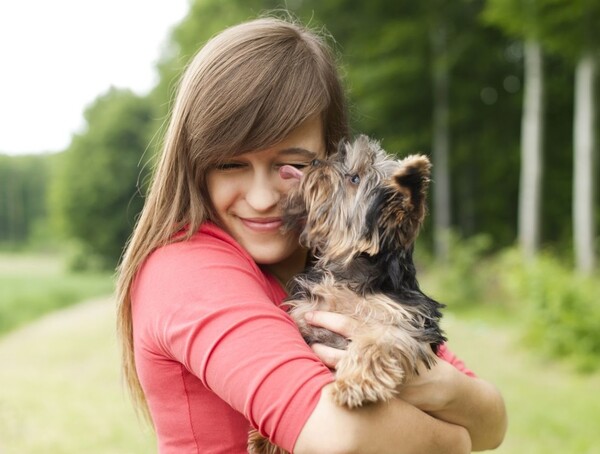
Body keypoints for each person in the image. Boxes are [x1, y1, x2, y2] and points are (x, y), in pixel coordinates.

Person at [116, 16, 507, 454]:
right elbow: (344, 439)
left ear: (330, 163)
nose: (263, 198)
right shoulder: (185, 270)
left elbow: (492, 419)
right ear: (195, 166)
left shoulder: (339, 275)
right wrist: (454, 440)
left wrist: (437, 385)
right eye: (230, 165)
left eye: (292, 167)